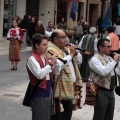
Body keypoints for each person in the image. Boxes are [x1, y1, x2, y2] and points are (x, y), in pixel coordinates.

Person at [46, 29, 83, 120]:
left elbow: (79, 61)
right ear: (55, 39)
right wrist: (71, 55)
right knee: (58, 116)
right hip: (59, 90)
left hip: (69, 87)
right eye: (63, 37)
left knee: (67, 114)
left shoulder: (66, 48)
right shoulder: (50, 49)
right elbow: (58, 65)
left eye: (66, 37)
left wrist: (76, 52)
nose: (66, 39)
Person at [26, 34, 60, 120]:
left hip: (48, 91)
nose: (46, 47)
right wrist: (51, 63)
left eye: (47, 45)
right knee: (39, 117)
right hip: (39, 93)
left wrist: (56, 63)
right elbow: (39, 74)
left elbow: (56, 72)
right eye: (44, 45)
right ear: (36, 45)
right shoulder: (32, 58)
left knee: (46, 117)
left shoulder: (44, 58)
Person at [89, 38, 120, 120]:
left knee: (109, 116)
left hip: (110, 90)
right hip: (101, 90)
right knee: (100, 116)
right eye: (108, 47)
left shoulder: (109, 58)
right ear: (100, 47)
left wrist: (117, 62)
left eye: (110, 46)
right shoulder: (94, 59)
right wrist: (114, 61)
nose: (110, 49)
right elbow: (103, 72)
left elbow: (116, 71)